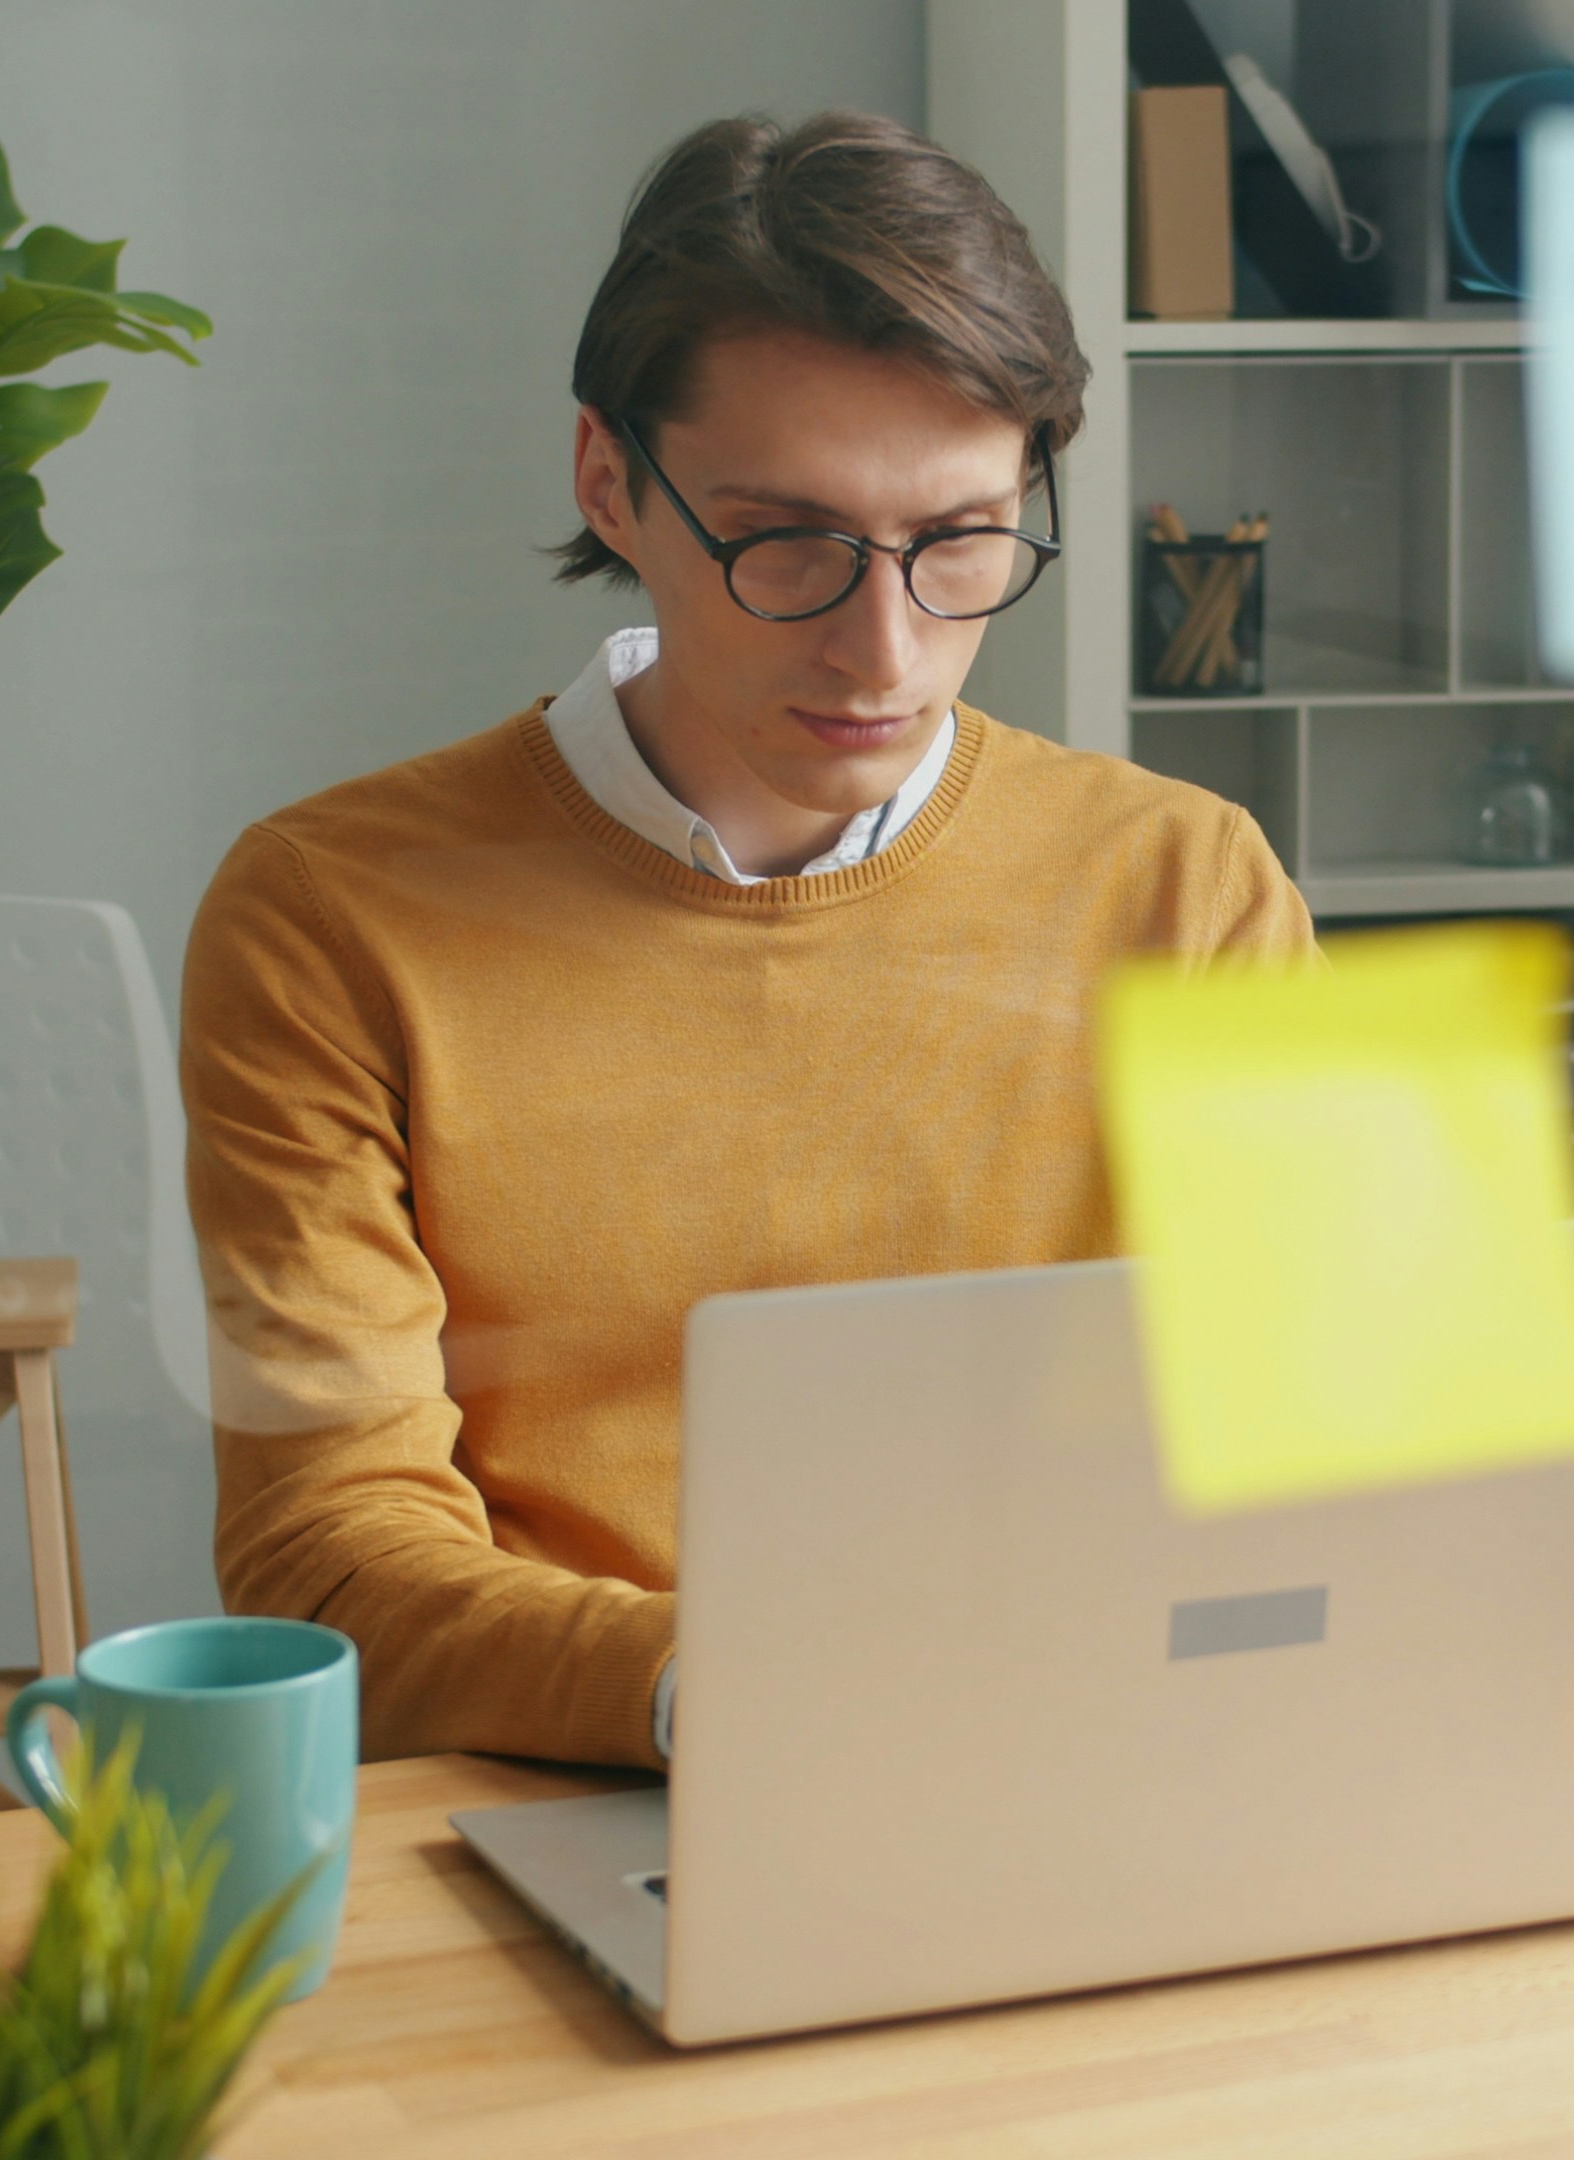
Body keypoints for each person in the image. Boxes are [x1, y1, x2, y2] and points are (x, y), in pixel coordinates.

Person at [181, 110, 1314, 1768]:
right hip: (586, 1793)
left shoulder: (1190, 888)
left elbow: (1366, 1439)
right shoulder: (331, 918)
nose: (886, 647)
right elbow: (328, 1560)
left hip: (1096, 1756)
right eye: (788, 540)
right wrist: (748, 1692)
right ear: (610, 483)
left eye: (961, 541)